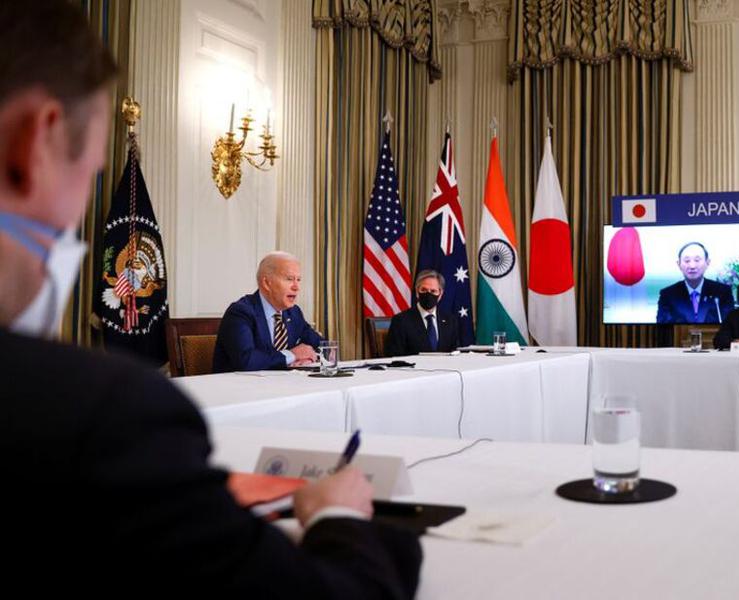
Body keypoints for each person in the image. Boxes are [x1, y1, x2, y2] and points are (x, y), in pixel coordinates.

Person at [0, 1, 420, 595]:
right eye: (90, 172)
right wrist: (337, 515)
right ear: (34, 144)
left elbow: (311, 341)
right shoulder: (110, 418)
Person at [212, 251, 324, 372]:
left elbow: (320, 345)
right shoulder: (240, 312)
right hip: (240, 383)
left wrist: (310, 357)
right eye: (289, 279)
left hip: (282, 382)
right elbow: (246, 361)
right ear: (266, 283)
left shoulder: (293, 312)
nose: (296, 287)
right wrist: (292, 355)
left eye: (299, 279)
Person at [384, 269, 461, 355]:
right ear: (417, 292)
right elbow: (394, 355)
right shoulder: (400, 321)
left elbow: (455, 353)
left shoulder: (450, 321)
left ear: (440, 294)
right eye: (424, 290)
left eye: (433, 291)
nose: (428, 294)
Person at [656, 241, 734, 324]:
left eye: (697, 260)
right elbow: (663, 327)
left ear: (707, 263)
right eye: (687, 261)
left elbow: (730, 324)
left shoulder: (722, 292)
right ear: (679, 264)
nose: (692, 266)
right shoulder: (668, 295)